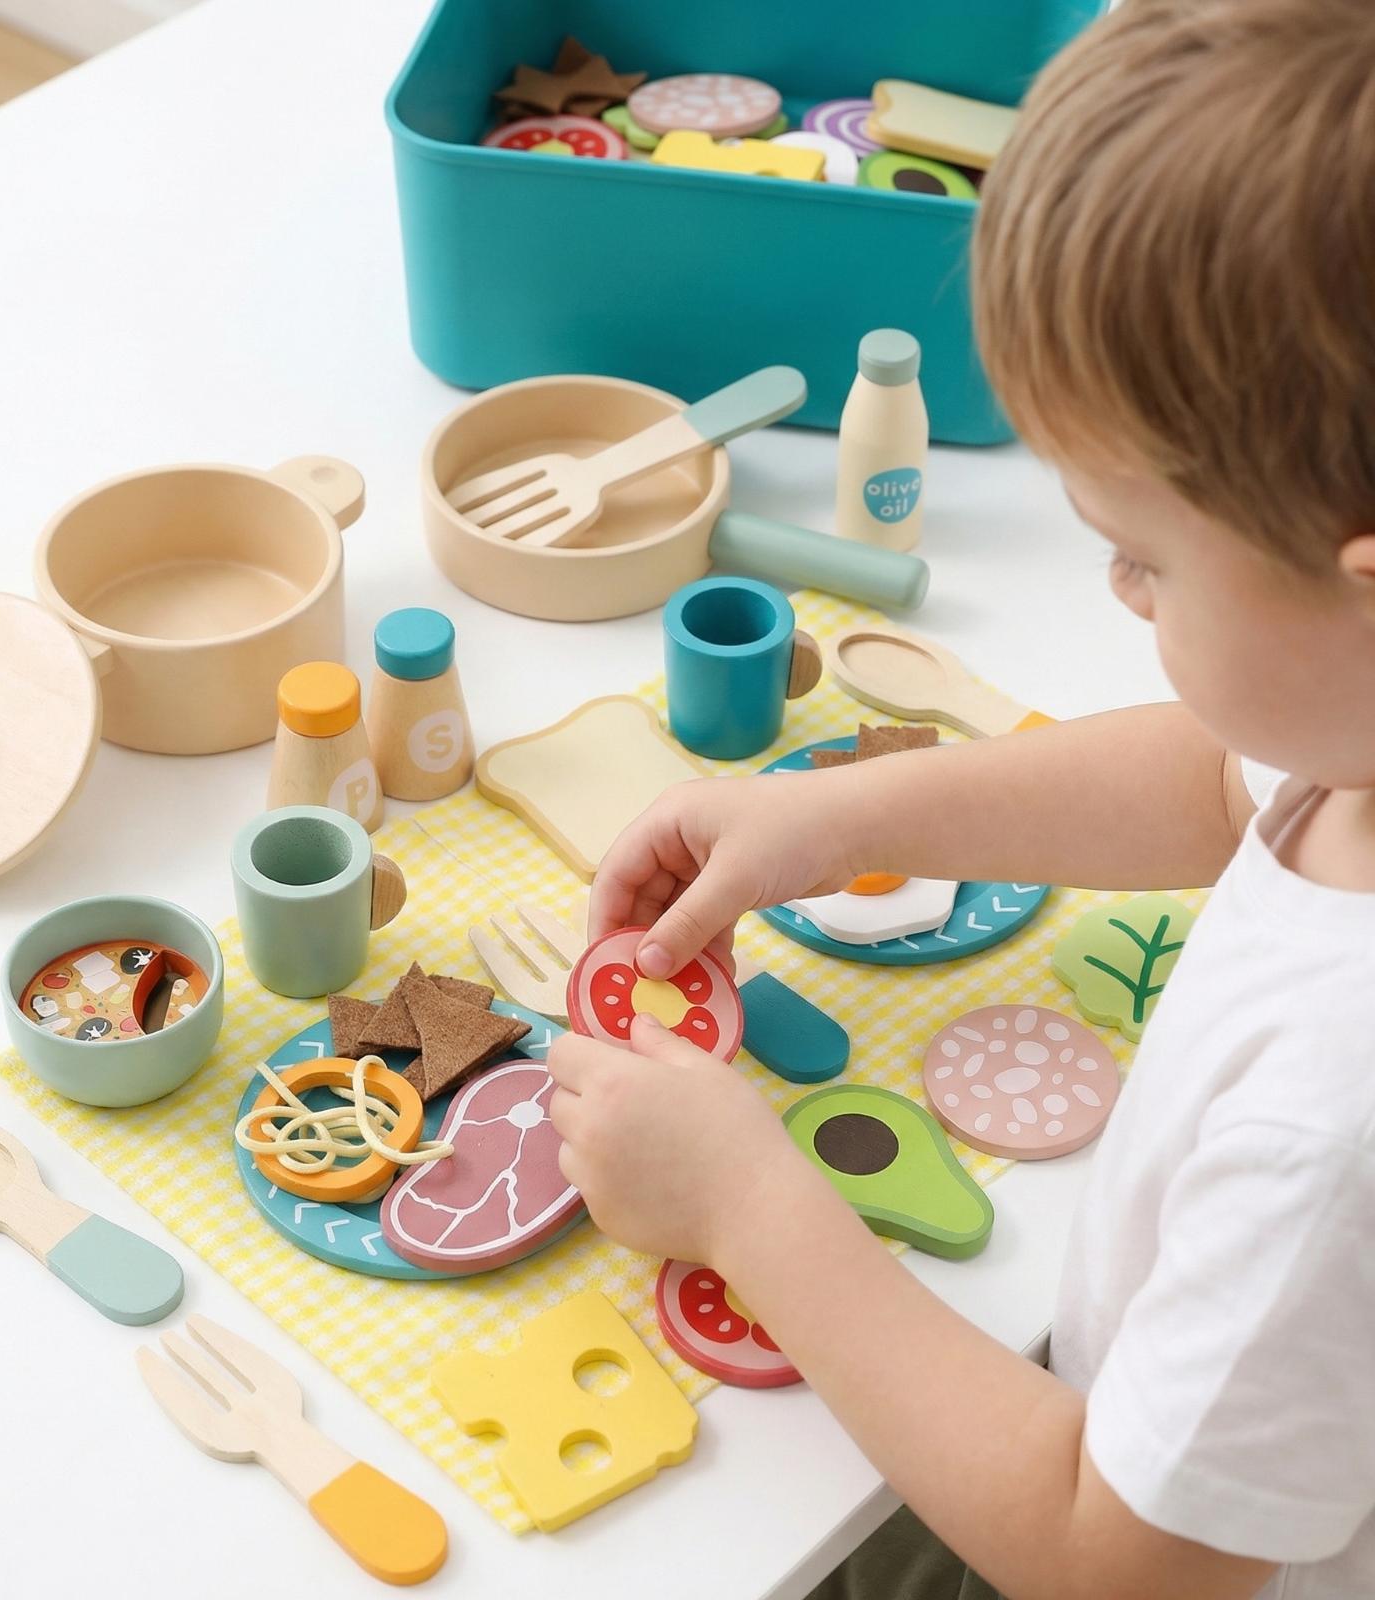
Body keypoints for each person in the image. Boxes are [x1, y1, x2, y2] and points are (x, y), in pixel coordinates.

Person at [546, 2, 1375, 1595]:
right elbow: (1224, 778)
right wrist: (849, 821)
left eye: (1144, 556)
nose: (1118, 590)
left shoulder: (1330, 1132)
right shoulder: (1356, 730)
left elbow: (1108, 1559)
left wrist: (747, 1207)